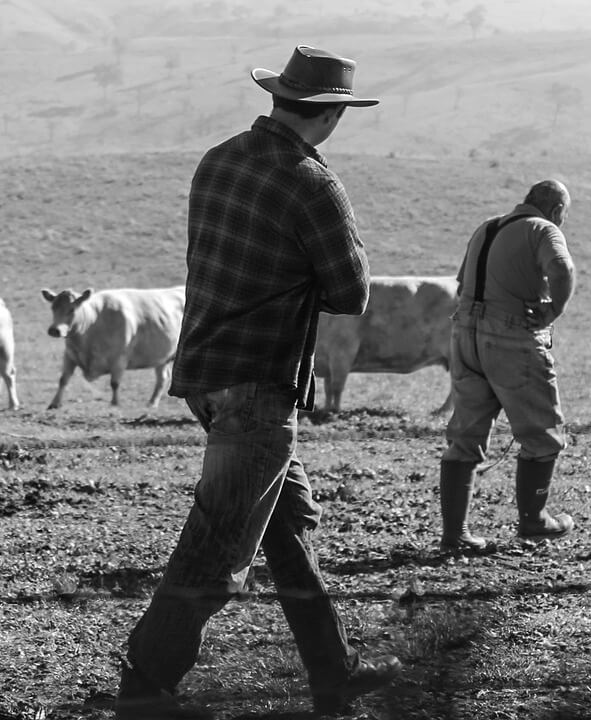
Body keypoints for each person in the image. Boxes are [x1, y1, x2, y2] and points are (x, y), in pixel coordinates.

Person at [116, 45, 402, 719]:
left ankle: (334, 673)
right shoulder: (313, 183)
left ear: (280, 97)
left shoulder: (217, 159)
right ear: (331, 114)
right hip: (260, 383)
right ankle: (145, 688)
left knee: (285, 521)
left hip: (206, 375)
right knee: (218, 543)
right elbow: (350, 292)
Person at [437, 179, 577, 553]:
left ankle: (455, 534)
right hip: (511, 338)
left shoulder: (487, 226)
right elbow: (561, 269)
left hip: (464, 335)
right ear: (557, 211)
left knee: (464, 435)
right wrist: (552, 309)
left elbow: (461, 281)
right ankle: (534, 520)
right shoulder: (544, 229)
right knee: (543, 432)